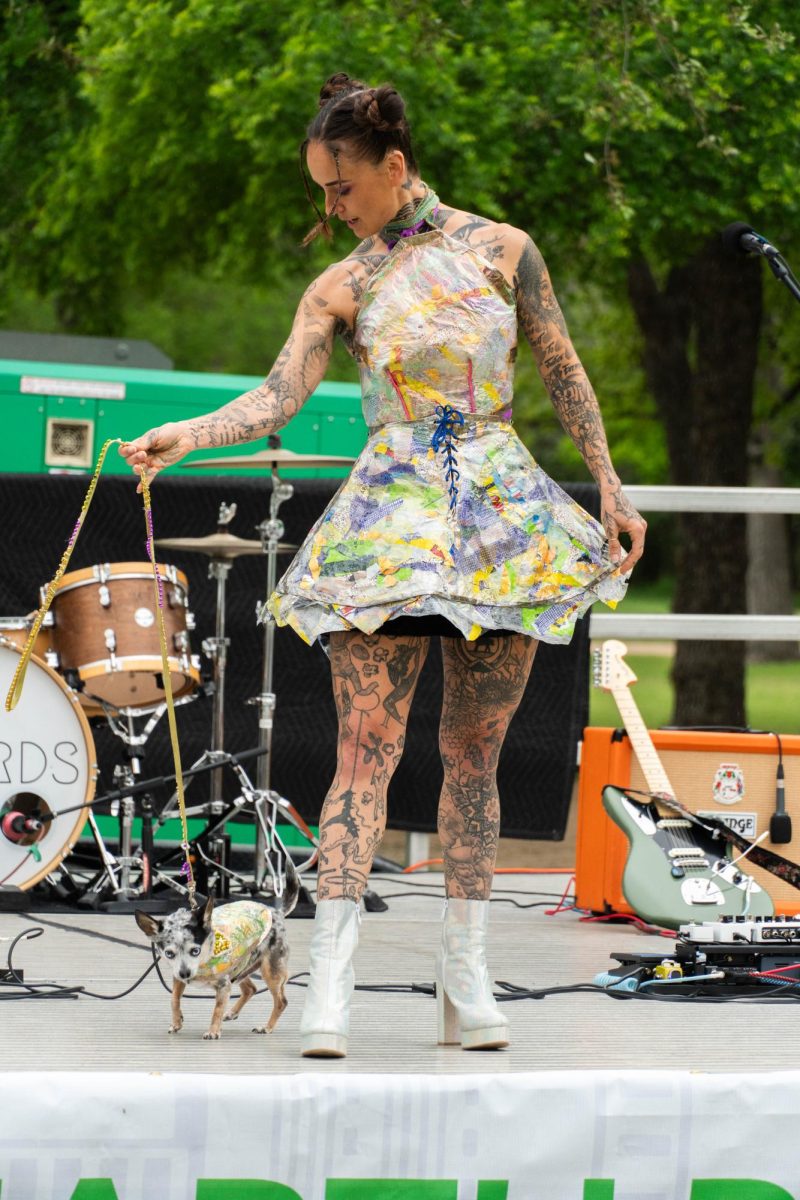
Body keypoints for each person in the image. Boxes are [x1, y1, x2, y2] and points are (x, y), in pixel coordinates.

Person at [120, 72, 646, 1058]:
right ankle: (330, 985)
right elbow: (276, 399)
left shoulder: (503, 252)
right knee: (363, 749)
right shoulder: (342, 285)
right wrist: (185, 434)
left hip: (497, 522)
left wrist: (609, 486)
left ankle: (465, 973)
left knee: (471, 755)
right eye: (321, 189)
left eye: (339, 187)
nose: (329, 206)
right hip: (387, 523)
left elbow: (562, 366)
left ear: (393, 168)